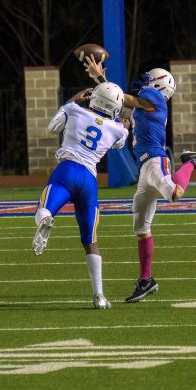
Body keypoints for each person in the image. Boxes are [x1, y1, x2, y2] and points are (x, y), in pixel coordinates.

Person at [83, 59, 196, 304]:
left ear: (159, 87)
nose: (145, 83)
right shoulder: (145, 107)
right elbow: (119, 104)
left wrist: (99, 78)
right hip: (144, 168)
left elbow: (125, 99)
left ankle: (192, 162)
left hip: (155, 161)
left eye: (150, 80)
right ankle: (146, 280)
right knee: (141, 228)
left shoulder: (155, 100)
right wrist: (101, 87)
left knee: (174, 193)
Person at [32, 82, 130, 309]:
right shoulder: (117, 129)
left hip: (66, 170)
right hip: (89, 181)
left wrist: (74, 99)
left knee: (44, 209)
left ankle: (46, 219)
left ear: (93, 98)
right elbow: (120, 142)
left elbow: (53, 127)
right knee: (90, 240)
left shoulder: (73, 110)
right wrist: (125, 123)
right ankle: (99, 296)